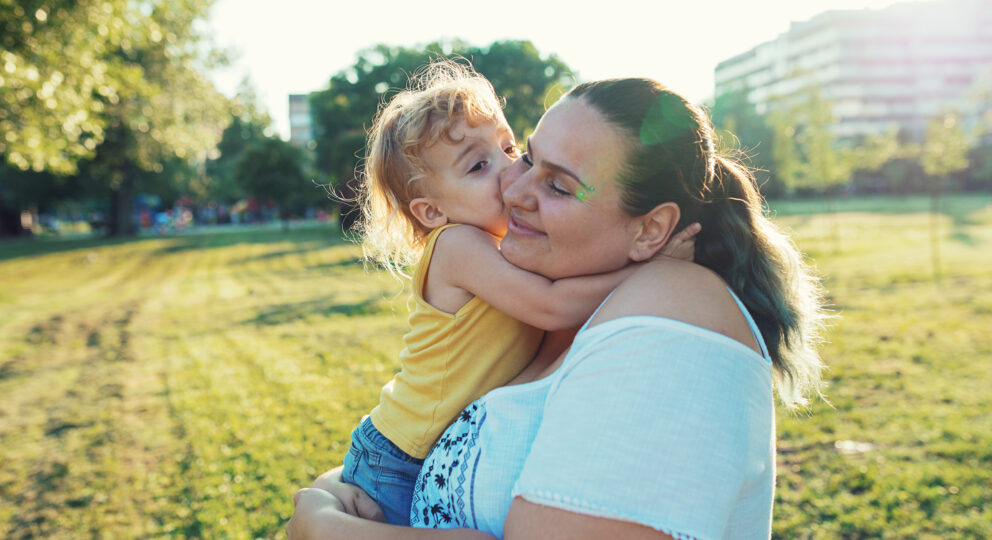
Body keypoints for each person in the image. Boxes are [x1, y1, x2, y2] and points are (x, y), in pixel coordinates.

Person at [288, 76, 826, 540]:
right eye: (528, 156)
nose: (513, 185)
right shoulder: (532, 293)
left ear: (651, 231)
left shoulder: (674, 310)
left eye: (558, 185)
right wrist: (334, 491)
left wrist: (328, 527)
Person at [335, 63, 700, 526]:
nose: (510, 171)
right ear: (432, 211)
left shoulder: (499, 248)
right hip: (399, 455)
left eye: (509, 148)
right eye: (478, 165)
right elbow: (550, 304)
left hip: (422, 445)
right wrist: (652, 264)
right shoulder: (457, 246)